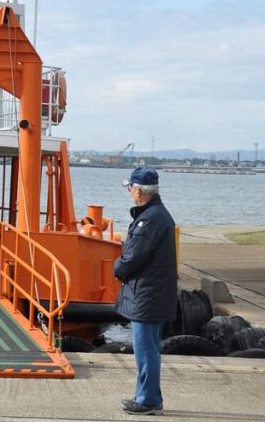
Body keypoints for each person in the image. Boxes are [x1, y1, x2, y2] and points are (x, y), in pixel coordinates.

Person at [114, 166, 177, 416]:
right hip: (153, 293)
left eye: (130, 188)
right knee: (148, 348)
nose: (129, 192)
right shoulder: (157, 215)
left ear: (138, 191)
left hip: (148, 294)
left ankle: (149, 399)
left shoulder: (149, 219)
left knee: (146, 349)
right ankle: (145, 395)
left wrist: (116, 268)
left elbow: (132, 257)